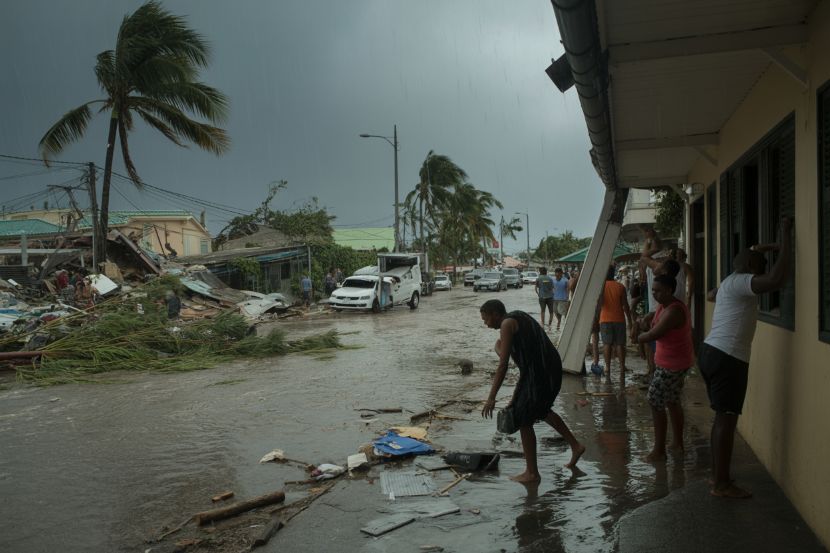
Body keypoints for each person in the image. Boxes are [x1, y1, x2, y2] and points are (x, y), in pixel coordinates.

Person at [700, 217, 792, 499]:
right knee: (727, 420)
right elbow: (776, 279)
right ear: (751, 268)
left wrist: (759, 249)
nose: (764, 269)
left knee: (721, 417)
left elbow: (711, 293)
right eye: (761, 266)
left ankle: (719, 477)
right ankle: (721, 484)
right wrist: (786, 237)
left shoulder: (729, 282)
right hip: (728, 357)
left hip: (713, 352)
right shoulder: (741, 282)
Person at [480, 299, 585, 482]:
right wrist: (515, 396)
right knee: (541, 410)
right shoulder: (518, 316)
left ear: (495, 314)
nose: (485, 323)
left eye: (486, 319)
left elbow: (503, 365)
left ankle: (532, 473)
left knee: (524, 419)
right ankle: (575, 446)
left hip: (541, 372)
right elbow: (525, 359)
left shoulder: (506, 324)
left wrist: (491, 398)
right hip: (548, 368)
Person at [636, 274, 694, 462]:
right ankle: (677, 443)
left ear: (670, 290)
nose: (655, 294)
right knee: (672, 400)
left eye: (658, 290)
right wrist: (644, 320)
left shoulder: (674, 310)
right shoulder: (664, 306)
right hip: (669, 362)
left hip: (673, 365)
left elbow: (654, 333)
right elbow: (652, 321)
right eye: (653, 290)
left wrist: (638, 336)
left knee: (655, 401)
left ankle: (659, 451)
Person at [596, 265, 634, 383]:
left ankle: (607, 367)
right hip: (619, 319)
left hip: (604, 319)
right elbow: (625, 306)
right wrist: (630, 320)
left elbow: (598, 304)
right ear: (614, 273)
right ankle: (622, 367)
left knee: (607, 344)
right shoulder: (620, 287)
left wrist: (595, 319)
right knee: (620, 344)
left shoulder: (600, 287)